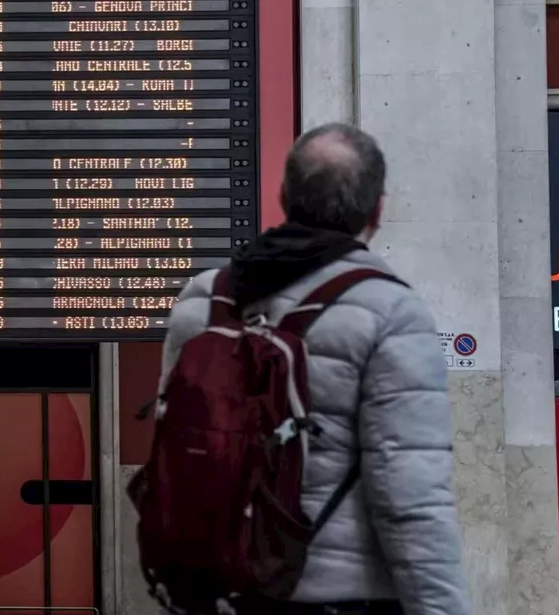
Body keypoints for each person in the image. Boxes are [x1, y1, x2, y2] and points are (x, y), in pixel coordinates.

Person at [159, 123, 471, 614]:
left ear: (285, 195)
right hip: (338, 596)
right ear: (377, 212)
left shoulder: (204, 298)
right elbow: (409, 496)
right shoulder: (389, 311)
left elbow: (171, 446)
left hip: (217, 591)